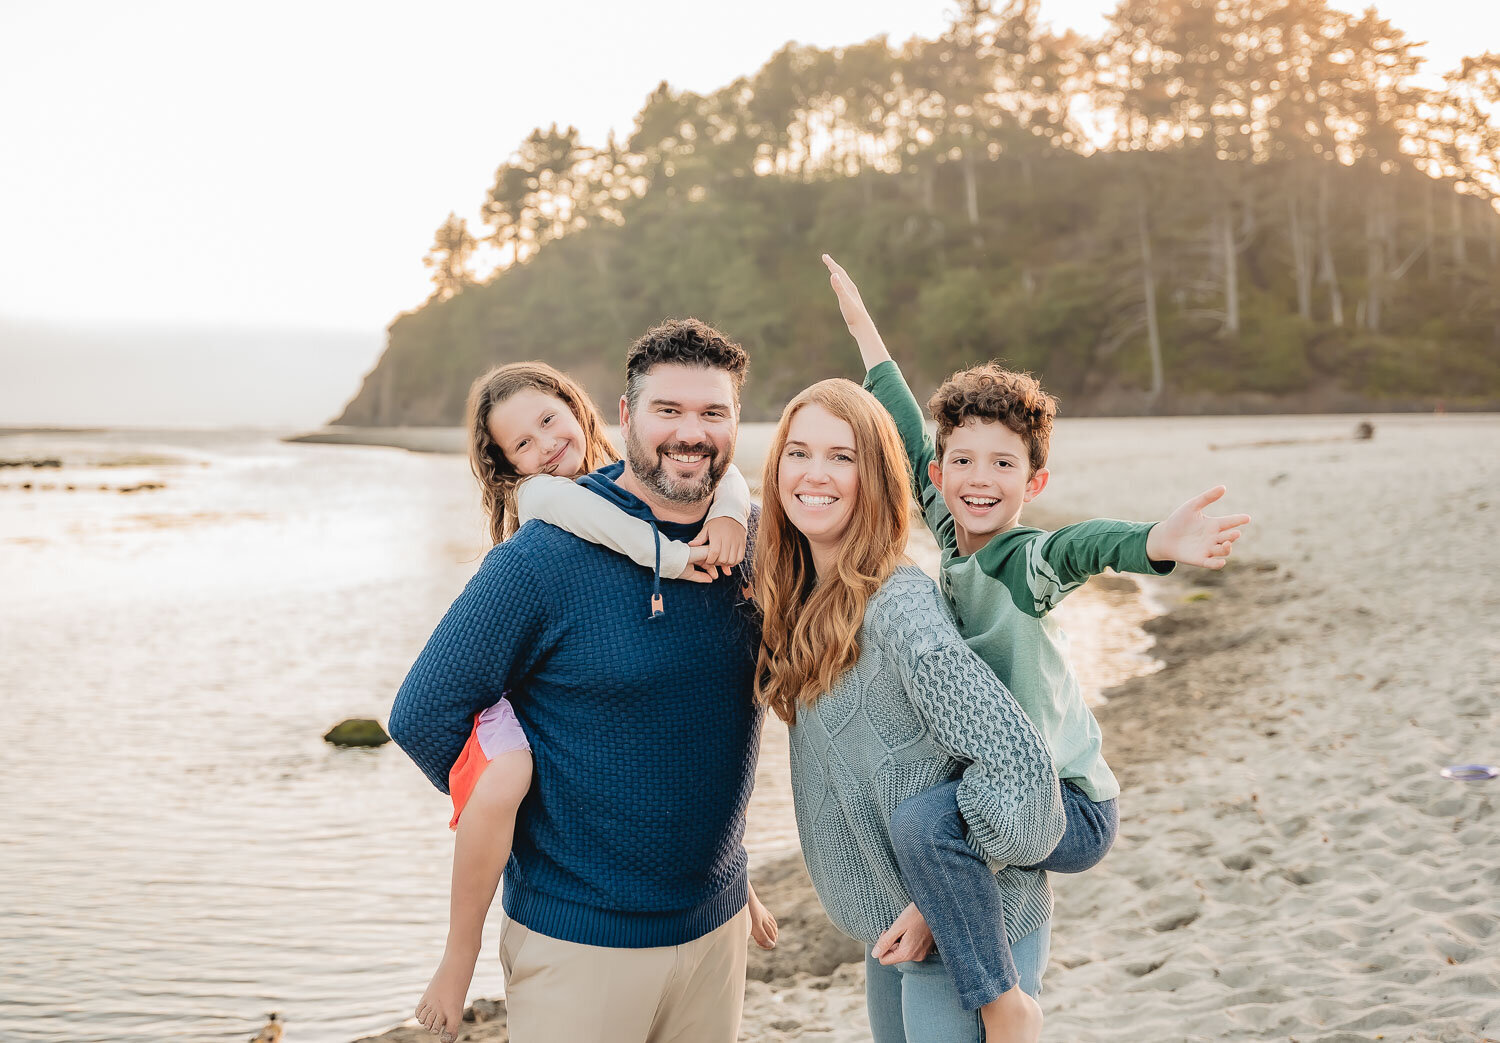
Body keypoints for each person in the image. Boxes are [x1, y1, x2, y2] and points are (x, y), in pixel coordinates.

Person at [822, 254, 1250, 1042]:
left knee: (922, 824)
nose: (979, 479)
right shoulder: (951, 535)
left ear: (1035, 483)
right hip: (1009, 788)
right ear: (938, 473)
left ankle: (1001, 1002)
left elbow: (1082, 548)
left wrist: (1153, 540)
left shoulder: (1021, 562)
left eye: (1003, 465)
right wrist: (864, 331)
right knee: (919, 818)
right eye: (963, 462)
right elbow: (907, 421)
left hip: (1071, 803)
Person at [390, 323, 771, 1043]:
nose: (690, 433)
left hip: (715, 931)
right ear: (627, 416)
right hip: (579, 946)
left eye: (712, 413)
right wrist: (520, 797)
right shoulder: (542, 556)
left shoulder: (753, 538)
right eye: (668, 411)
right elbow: (423, 714)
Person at [754, 377, 1067, 1043]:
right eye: (798, 452)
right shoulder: (797, 598)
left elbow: (1020, 772)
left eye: (843, 456)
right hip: (893, 927)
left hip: (970, 924)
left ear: (877, 476)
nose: (816, 473)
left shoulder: (901, 608)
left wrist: (938, 899)